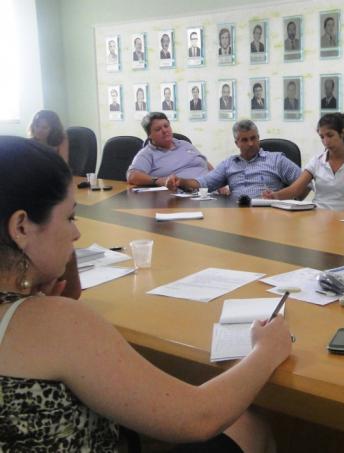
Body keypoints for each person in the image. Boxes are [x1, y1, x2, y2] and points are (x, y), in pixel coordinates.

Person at [0, 136, 290, 452]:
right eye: (70, 217)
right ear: (21, 227)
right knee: (250, 425)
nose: (77, 234)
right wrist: (267, 350)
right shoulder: (51, 323)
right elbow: (199, 417)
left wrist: (41, 259)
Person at [165, 119, 301, 200]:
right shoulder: (229, 164)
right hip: (236, 215)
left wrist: (292, 203)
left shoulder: (276, 160)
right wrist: (181, 181)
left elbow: (305, 183)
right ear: (236, 143)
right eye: (245, 140)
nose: (251, 144)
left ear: (258, 138)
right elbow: (205, 183)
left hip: (269, 215)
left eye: (254, 138)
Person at [263, 113, 344, 212]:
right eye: (322, 137)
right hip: (317, 216)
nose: (326, 142)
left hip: (343, 219)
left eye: (330, 135)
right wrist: (274, 196)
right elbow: (295, 189)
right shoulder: (316, 161)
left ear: (342, 133)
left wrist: (339, 222)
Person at [127, 112, 214, 187]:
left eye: (166, 126)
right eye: (158, 129)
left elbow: (205, 163)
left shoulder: (185, 144)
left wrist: (219, 183)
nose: (165, 131)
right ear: (149, 135)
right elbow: (132, 176)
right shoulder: (147, 153)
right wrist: (160, 181)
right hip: (184, 196)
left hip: (209, 190)